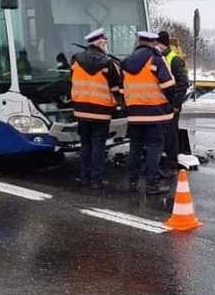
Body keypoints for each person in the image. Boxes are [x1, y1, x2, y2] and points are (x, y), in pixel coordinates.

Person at [121, 31, 176, 195]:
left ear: (139, 42)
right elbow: (169, 85)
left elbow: (122, 90)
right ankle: (152, 185)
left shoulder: (125, 63)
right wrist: (170, 102)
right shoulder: (156, 59)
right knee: (154, 148)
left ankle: (133, 182)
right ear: (153, 42)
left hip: (134, 113)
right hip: (155, 113)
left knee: (135, 148)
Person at [70, 28, 121, 189]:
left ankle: (85, 177)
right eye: (105, 43)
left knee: (85, 146)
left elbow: (71, 81)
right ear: (100, 43)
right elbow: (115, 88)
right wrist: (119, 103)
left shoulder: (76, 60)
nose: (106, 46)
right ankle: (96, 180)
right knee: (98, 146)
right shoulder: (108, 63)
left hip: (80, 111)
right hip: (101, 112)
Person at [156, 30, 190, 174]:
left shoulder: (173, 59)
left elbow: (183, 83)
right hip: (162, 103)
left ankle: (171, 162)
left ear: (162, 44)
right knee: (163, 132)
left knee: (171, 133)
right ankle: (165, 158)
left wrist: (176, 104)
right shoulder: (160, 57)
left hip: (171, 104)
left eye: (157, 43)